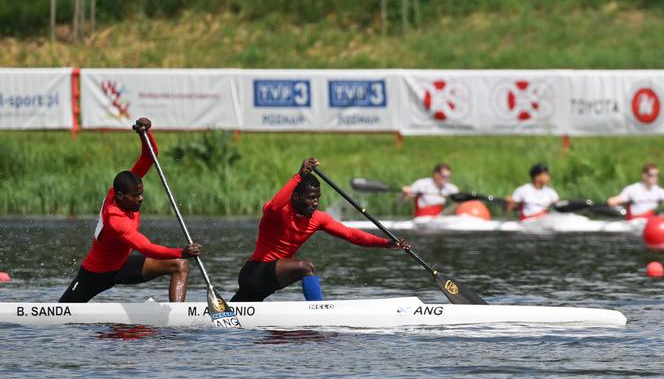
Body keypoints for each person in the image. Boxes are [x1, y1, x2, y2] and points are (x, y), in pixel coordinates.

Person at [59, 118, 201, 303]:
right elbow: (146, 247)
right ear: (119, 196)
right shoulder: (116, 220)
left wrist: (144, 134)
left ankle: (178, 317)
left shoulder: (122, 188)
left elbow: (150, 156)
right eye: (135, 196)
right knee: (64, 308)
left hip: (122, 265)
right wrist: (181, 252)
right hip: (96, 273)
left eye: (141, 194)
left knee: (179, 265)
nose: (140, 198)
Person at [231, 158, 408, 302]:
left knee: (234, 313)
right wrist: (299, 176)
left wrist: (386, 243)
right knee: (307, 267)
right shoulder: (278, 212)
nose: (315, 202)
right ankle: (318, 310)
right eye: (310, 198)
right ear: (296, 197)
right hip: (254, 273)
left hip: (268, 282)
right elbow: (275, 205)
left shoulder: (318, 219)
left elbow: (351, 234)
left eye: (317, 198)